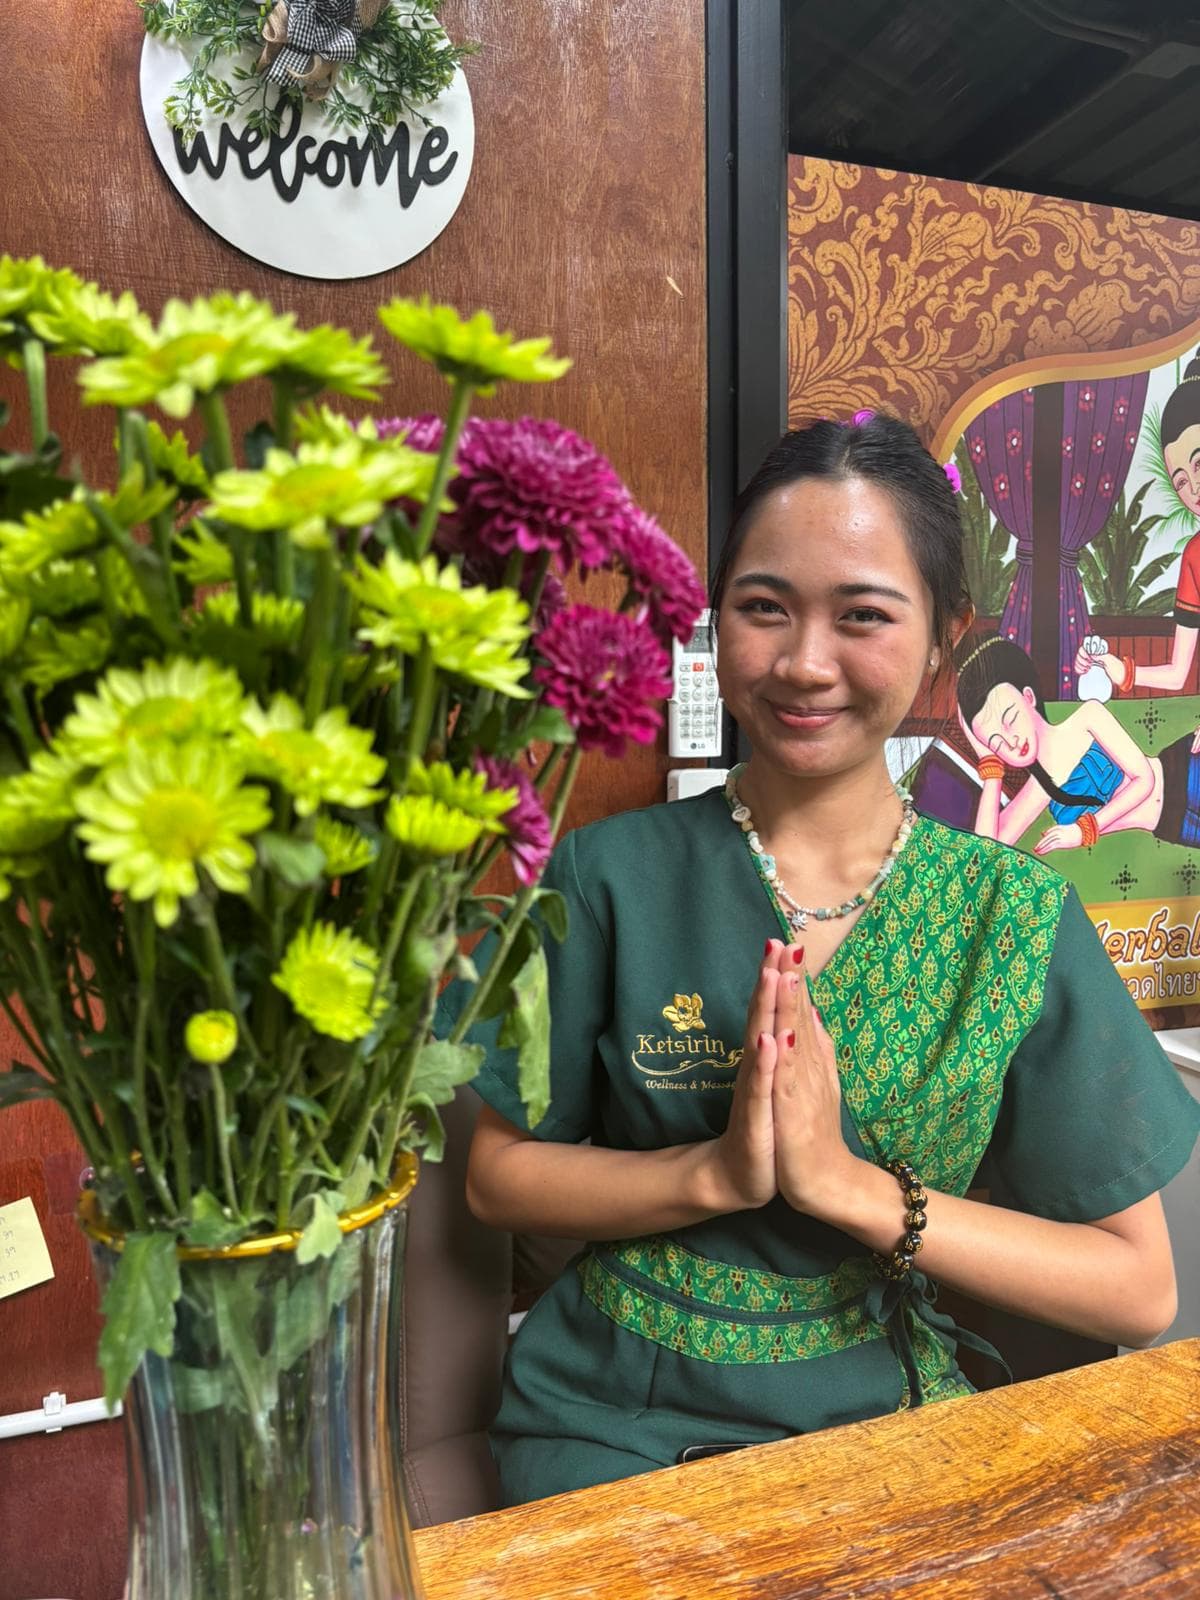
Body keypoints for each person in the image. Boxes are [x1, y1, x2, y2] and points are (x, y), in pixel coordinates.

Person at [446, 413, 1200, 1508]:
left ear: (944, 637)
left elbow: (1137, 1289)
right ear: (717, 619)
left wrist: (852, 1191)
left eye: (863, 616)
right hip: (612, 1412)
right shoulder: (605, 874)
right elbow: (498, 1174)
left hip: (880, 1411)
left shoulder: (1012, 914)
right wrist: (715, 1174)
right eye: (764, 608)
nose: (804, 663)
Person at [959, 635, 1200, 853]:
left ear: (1028, 697)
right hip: (1174, 825)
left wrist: (1084, 830)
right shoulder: (1038, 790)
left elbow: (1144, 780)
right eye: (996, 743)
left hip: (1187, 773)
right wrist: (989, 763)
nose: (1010, 742)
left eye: (1010, 718)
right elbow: (986, 851)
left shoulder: (1087, 718)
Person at [1075, 355, 1200, 695]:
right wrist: (1116, 668)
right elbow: (1177, 674)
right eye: (1180, 481)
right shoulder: (1195, 556)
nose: (1193, 490)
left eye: (1199, 464)